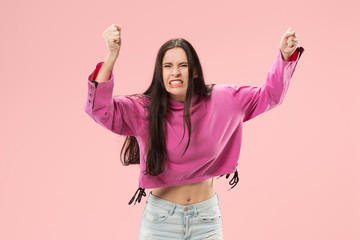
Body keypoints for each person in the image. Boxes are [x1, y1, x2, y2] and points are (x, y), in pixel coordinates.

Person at [84, 24, 304, 240]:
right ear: (160, 73)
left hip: (206, 221)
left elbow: (270, 96)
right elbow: (98, 109)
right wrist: (112, 56)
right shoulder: (144, 109)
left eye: (183, 65)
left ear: (195, 71)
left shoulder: (224, 99)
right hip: (161, 223)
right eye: (168, 66)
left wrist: (284, 57)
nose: (175, 72)